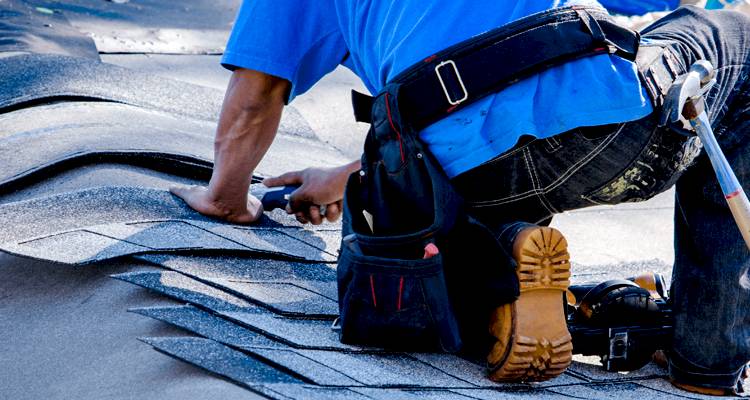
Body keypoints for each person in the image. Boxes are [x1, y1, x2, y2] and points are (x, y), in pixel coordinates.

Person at [170, 0, 750, 395]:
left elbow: (256, 95)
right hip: (600, 136)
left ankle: (506, 260)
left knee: (470, 143)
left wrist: (229, 198)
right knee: (736, 36)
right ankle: (706, 356)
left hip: (444, 176)